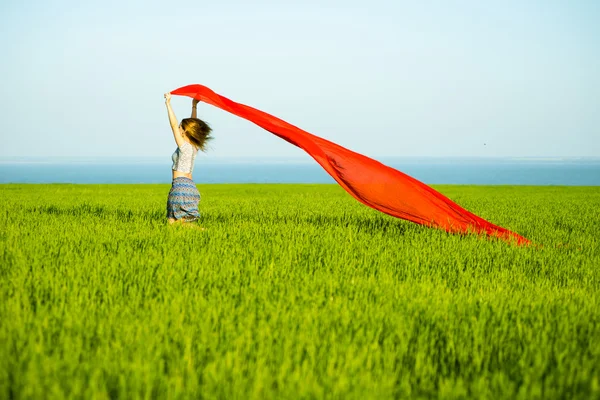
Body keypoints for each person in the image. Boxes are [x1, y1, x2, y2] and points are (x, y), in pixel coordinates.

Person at [164, 92, 213, 225]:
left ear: (184, 132)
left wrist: (168, 104)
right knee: (182, 225)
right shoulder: (194, 147)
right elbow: (193, 124)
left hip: (179, 187)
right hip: (191, 188)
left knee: (173, 224)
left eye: (181, 127)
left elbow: (173, 125)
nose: (178, 128)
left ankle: (204, 232)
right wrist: (194, 106)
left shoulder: (185, 147)